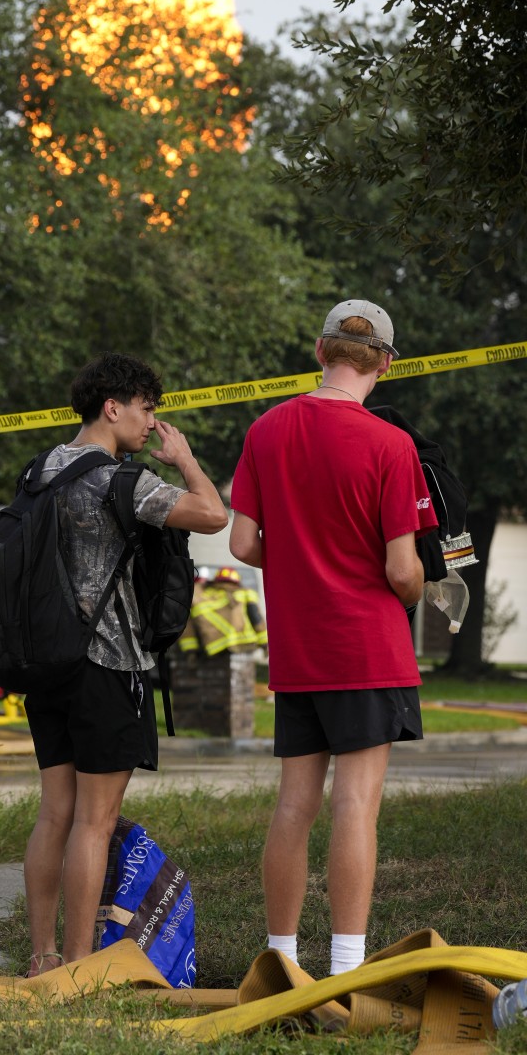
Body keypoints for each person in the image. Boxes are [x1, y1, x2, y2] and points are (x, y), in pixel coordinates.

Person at [229, 299, 436, 977]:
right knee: (355, 804)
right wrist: (411, 589)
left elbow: (242, 541)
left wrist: (299, 559)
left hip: (299, 648)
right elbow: (401, 569)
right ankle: (347, 968)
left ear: (320, 353)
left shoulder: (266, 429)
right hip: (369, 648)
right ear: (386, 363)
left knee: (295, 804)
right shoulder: (390, 445)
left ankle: (279, 960)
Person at [22, 350, 227, 977]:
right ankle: (78, 967)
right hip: (106, 666)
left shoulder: (40, 470)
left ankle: (42, 956)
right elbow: (214, 514)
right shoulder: (123, 481)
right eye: (145, 410)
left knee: (54, 812)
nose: (150, 423)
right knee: (95, 820)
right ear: (113, 407)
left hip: (45, 665)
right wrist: (186, 460)